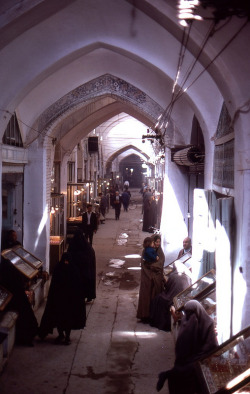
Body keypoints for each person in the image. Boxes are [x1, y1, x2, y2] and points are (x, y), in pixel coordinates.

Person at [156, 300, 218, 393]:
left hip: (198, 358)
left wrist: (197, 357)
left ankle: (167, 374)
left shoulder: (204, 323)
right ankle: (168, 374)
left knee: (184, 372)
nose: (191, 316)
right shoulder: (193, 321)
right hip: (189, 357)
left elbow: (210, 345)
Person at [39, 252, 86, 344]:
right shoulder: (70, 269)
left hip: (66, 301)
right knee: (62, 319)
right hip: (62, 301)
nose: (66, 263)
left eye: (67, 261)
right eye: (65, 261)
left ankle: (66, 336)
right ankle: (62, 335)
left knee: (65, 320)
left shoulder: (64, 269)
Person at [0, 257, 38, 346]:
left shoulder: (4, 274)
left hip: (14, 300)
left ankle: (24, 339)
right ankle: (28, 338)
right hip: (21, 299)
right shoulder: (14, 273)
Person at [150, 261, 192, 331]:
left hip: (172, 297)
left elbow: (167, 287)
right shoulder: (187, 276)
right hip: (183, 297)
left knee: (158, 298)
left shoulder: (173, 275)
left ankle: (158, 322)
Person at [137, 234, 165, 323]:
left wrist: (152, 267)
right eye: (156, 242)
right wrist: (151, 269)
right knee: (146, 297)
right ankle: (144, 315)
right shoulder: (146, 251)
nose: (158, 244)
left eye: (159, 242)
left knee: (154, 297)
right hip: (146, 278)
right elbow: (144, 265)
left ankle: (153, 316)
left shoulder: (160, 252)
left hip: (156, 278)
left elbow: (160, 264)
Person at [67, 229, 96, 302]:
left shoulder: (73, 244)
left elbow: (69, 255)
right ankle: (88, 295)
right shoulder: (87, 246)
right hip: (86, 271)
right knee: (86, 282)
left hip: (78, 270)